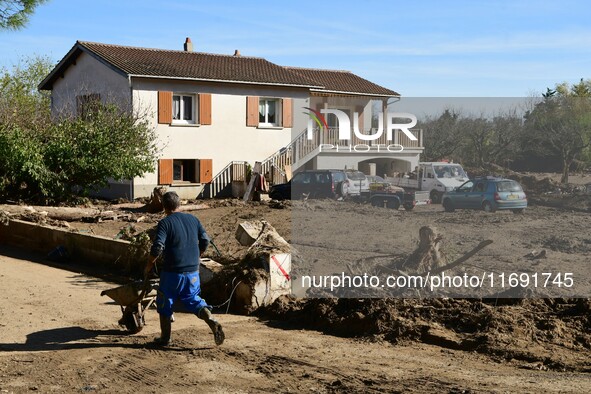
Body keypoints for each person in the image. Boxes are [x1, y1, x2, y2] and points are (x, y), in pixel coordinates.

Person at [144, 191, 224, 346]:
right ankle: (211, 319)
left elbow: (157, 247)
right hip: (193, 271)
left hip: (172, 272)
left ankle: (165, 338)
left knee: (164, 301)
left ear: (163, 206)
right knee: (193, 300)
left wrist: (149, 264)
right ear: (179, 204)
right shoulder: (193, 219)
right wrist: (198, 254)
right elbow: (205, 240)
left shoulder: (165, 223)